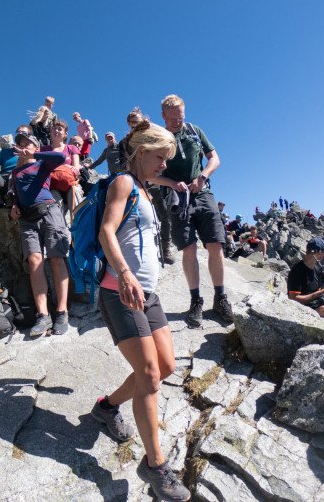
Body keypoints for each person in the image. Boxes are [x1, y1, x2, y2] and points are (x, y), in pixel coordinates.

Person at [90, 119, 190, 501]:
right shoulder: (124, 183)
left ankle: (105, 407)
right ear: (141, 152)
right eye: (161, 157)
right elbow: (106, 231)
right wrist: (126, 274)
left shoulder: (146, 191)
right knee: (149, 374)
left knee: (165, 367)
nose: (165, 164)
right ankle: (156, 466)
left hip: (147, 293)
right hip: (119, 290)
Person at [152, 94, 234, 327]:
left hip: (203, 193)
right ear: (164, 116)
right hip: (179, 199)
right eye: (174, 118)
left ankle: (220, 298)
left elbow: (214, 158)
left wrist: (203, 176)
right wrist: (171, 183)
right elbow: (151, 175)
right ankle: (196, 300)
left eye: (181, 116)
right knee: (188, 248)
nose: (178, 121)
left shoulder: (194, 130)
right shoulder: (159, 139)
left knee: (215, 244)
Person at [10, 132, 70, 336]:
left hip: (49, 210)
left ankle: (62, 312)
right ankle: (43, 315)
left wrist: (36, 155)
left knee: (56, 258)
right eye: (21, 143)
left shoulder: (42, 163)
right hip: (27, 218)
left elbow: (62, 158)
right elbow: (18, 194)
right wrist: (14, 206)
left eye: (29, 142)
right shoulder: (15, 172)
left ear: (36, 147)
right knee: (35, 261)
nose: (24, 145)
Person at [288, 238, 324, 320]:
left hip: (318, 303)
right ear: (319, 253)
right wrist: (320, 292)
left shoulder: (317, 269)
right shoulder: (297, 271)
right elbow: (293, 299)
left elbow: (320, 288)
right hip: (302, 309)